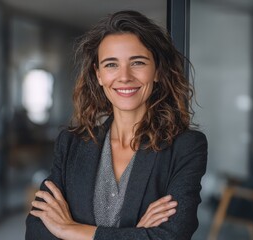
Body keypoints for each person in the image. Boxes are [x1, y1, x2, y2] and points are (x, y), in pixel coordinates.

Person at [25, 10, 207, 240]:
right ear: (99, 75)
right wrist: (137, 234)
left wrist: (70, 229)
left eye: (138, 62)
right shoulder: (71, 143)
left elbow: (172, 236)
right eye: (111, 64)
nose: (124, 77)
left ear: (158, 70)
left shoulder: (186, 147)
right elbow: (37, 231)